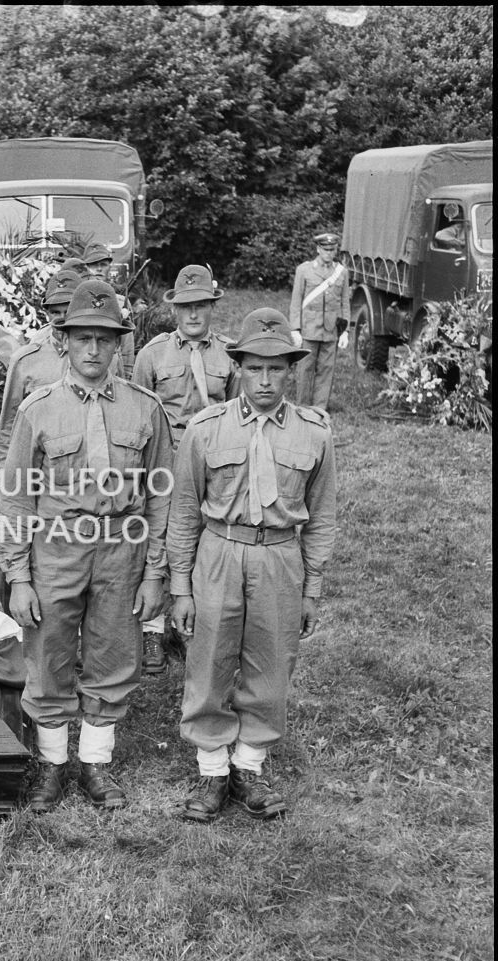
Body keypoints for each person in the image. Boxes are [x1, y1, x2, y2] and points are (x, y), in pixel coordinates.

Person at [0, 279, 175, 813]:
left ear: (119, 343)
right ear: (64, 341)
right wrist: (20, 577)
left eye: (104, 339)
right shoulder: (38, 409)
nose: (93, 350)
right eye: (82, 339)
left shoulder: (146, 409)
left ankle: (95, 762)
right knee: (48, 654)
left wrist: (155, 573)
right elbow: (15, 498)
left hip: (122, 546)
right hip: (57, 547)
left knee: (114, 652)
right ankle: (52, 764)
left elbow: (162, 494)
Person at [168, 307, 336, 823]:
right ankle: (213, 771)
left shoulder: (314, 434)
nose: (265, 380)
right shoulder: (205, 429)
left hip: (280, 556)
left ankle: (250, 767)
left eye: (277, 368)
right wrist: (180, 585)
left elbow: (323, 515)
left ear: (292, 371)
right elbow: (183, 511)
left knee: (271, 661)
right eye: (254, 368)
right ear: (238, 367)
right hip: (219, 552)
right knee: (209, 658)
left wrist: (311, 587)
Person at [132, 264, 239, 674]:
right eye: (186, 307)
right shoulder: (152, 354)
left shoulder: (229, 354)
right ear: (174, 310)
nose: (194, 315)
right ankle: (154, 630)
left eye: (202, 307)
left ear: (212, 307)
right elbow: (139, 412)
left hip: (212, 462)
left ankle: (198, 621)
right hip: (165, 459)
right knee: (157, 537)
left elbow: (235, 412)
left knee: (206, 536)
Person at [0, 266, 83, 465]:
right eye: (55, 311)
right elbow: (9, 418)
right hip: (41, 464)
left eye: (68, 311)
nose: (61, 318)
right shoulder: (26, 360)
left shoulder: (101, 356)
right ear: (46, 313)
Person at [289, 231, 350, 410]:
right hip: (309, 328)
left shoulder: (341, 273)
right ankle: (302, 408)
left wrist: (345, 330)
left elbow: (345, 302)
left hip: (330, 330)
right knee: (305, 370)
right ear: (318, 249)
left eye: (332, 249)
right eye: (325, 249)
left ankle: (319, 409)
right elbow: (296, 300)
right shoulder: (304, 270)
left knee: (326, 370)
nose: (329, 253)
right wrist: (295, 329)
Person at [82, 241, 135, 377]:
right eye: (94, 264)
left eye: (103, 264)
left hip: (114, 372)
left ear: (109, 267)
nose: (99, 269)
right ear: (86, 267)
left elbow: (127, 344)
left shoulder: (121, 302)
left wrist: (128, 375)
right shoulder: (77, 300)